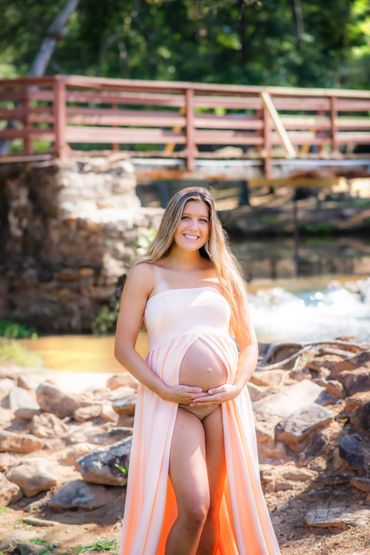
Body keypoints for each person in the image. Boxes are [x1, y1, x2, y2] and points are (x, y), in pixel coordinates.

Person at [114, 186, 281, 555]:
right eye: (186, 218)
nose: (194, 227)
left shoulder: (224, 273)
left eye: (202, 220)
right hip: (173, 403)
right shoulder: (146, 273)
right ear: (172, 221)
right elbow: (124, 348)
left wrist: (236, 386)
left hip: (223, 405)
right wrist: (163, 390)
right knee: (194, 508)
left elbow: (249, 343)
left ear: (211, 227)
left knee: (215, 510)